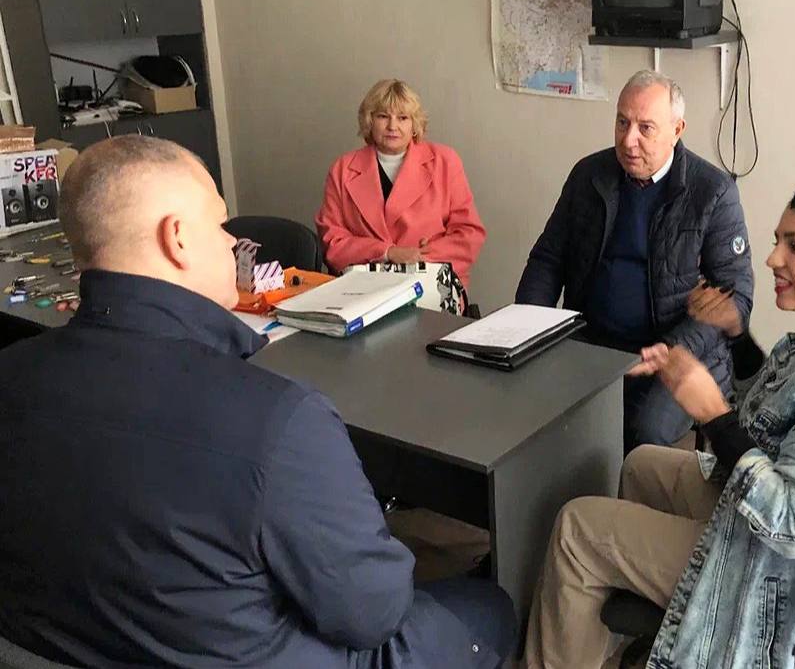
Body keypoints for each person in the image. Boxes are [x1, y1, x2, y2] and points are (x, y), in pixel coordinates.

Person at [0, 135, 515, 669]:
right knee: (489, 607)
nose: (231, 243)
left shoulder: (9, 373)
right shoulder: (280, 420)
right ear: (177, 239)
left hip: (67, 641)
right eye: (221, 225)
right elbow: (375, 614)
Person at [523, 177, 795, 669]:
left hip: (784, 583)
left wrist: (714, 415)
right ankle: (605, 637)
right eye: (778, 242)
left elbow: (793, 522)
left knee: (577, 530)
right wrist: (735, 336)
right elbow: (784, 417)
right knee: (641, 465)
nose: (772, 259)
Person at [515, 70, 754, 452]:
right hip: (592, 340)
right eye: (622, 122)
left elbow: (735, 297)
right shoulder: (589, 175)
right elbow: (548, 258)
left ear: (677, 130)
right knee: (534, 407)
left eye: (646, 128)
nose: (629, 140)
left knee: (644, 433)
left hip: (676, 353)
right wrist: (529, 326)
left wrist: (670, 350)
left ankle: (626, 492)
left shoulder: (712, 192)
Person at [315, 78, 486, 291]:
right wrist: (387, 252)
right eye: (383, 116)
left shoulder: (445, 161)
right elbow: (332, 241)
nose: (392, 126)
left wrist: (420, 258)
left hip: (430, 283)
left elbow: (469, 233)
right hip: (363, 286)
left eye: (402, 118)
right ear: (369, 121)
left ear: (414, 124)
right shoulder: (343, 168)